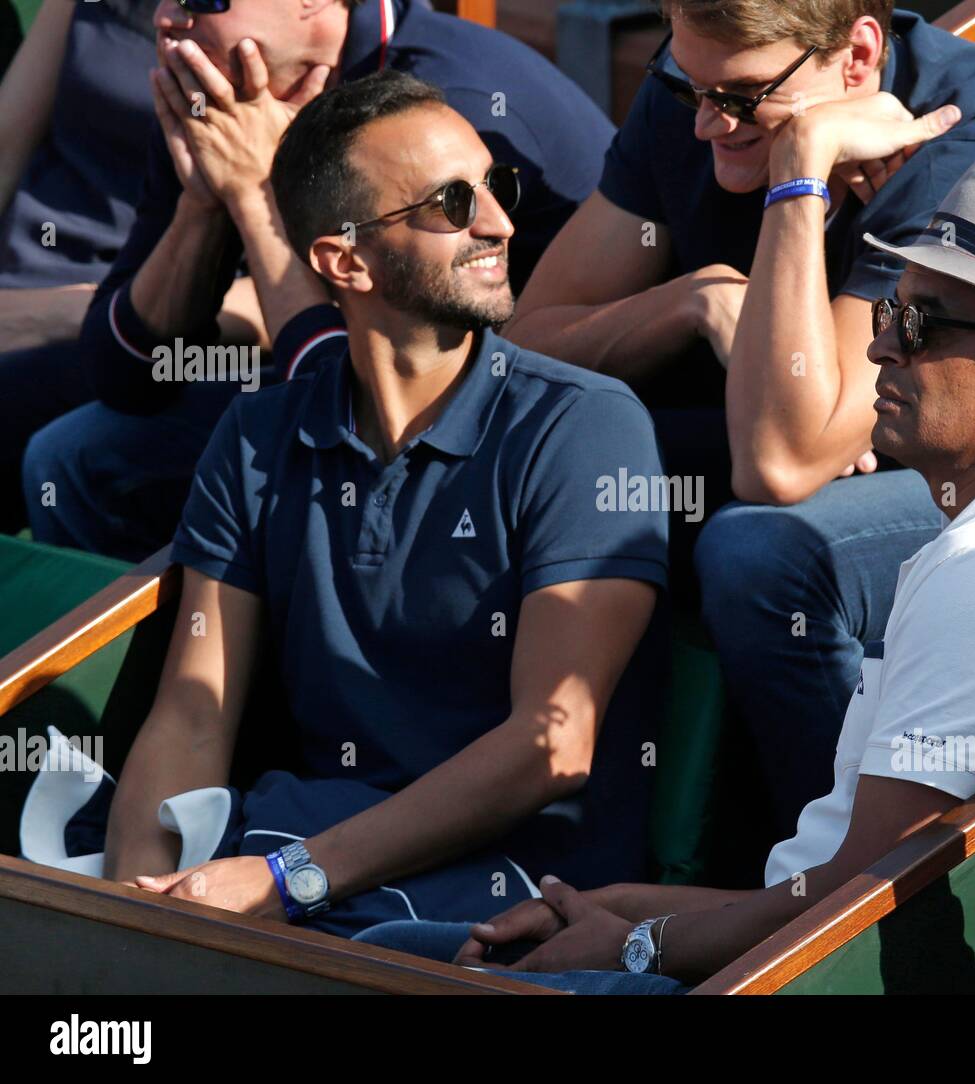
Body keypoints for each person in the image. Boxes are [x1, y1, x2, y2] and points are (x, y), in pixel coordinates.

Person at [353, 152, 975, 992]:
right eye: (890, 309)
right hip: (788, 952)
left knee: (363, 968)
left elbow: (861, 900)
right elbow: (844, 879)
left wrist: (638, 945)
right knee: (390, 945)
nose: (881, 345)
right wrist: (628, 906)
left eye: (923, 324)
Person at [506, 0, 975, 850]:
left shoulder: (950, 145)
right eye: (684, 84)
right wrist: (693, 297)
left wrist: (799, 176)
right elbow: (529, 347)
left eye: (740, 99)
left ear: (858, 58)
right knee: (582, 460)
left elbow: (778, 463)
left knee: (762, 553)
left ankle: (815, 892)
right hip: (922, 434)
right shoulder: (705, 87)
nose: (705, 123)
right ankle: (566, 840)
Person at [86, 69, 668, 938]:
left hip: (515, 891)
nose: (500, 223)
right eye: (451, 203)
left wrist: (291, 879)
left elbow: (551, 747)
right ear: (342, 260)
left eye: (495, 187)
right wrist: (134, 916)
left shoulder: (586, 426)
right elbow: (192, 712)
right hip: (301, 858)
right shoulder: (257, 435)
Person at [21, 0, 613, 560]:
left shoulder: (443, 116)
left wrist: (257, 196)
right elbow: (125, 377)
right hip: (361, 385)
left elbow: (365, 413)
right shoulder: (224, 94)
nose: (166, 16)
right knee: (77, 456)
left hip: (519, 431)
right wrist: (201, 209)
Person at [0, 0, 164, 531]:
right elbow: (5, 146)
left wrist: (60, 317)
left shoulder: (305, 29)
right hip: (17, 278)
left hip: (127, 318)